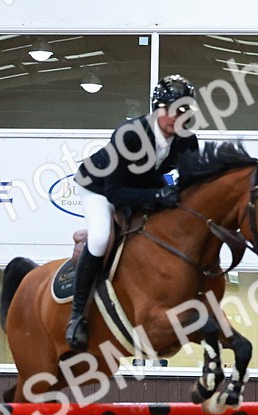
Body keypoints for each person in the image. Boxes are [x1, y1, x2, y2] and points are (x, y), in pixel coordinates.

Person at [65, 74, 200, 350]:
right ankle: (77, 316)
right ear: (158, 109)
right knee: (102, 237)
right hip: (99, 186)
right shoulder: (130, 135)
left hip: (142, 183)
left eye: (184, 111)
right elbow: (116, 193)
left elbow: (192, 180)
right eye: (174, 110)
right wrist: (157, 195)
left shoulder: (187, 139)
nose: (179, 117)